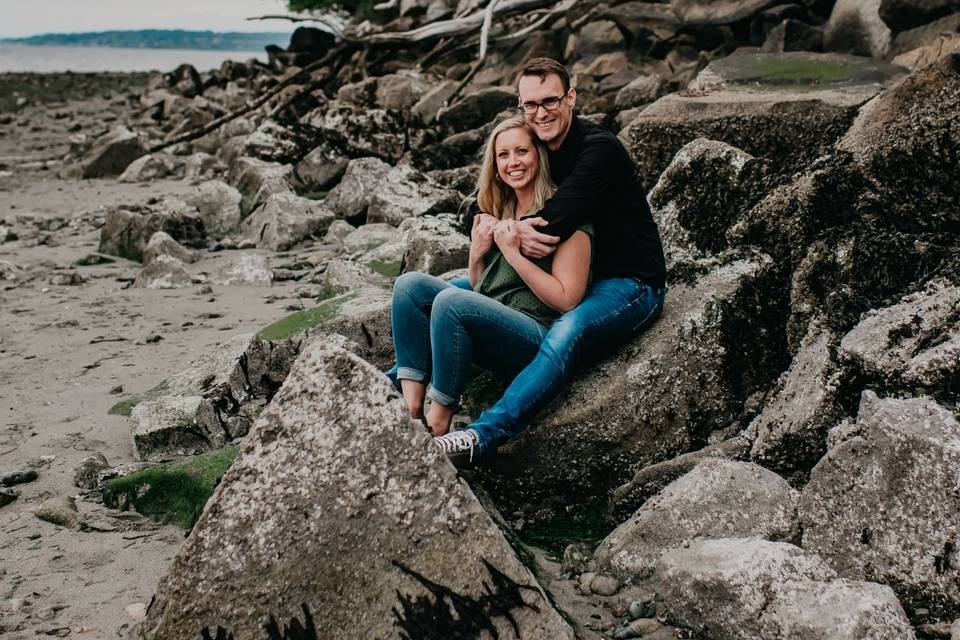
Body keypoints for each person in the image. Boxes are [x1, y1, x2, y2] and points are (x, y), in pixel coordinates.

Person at [433, 57, 667, 466]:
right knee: (442, 293)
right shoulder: (539, 146)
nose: (540, 113)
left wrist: (501, 230)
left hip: (626, 282)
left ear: (571, 98)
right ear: (521, 106)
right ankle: (394, 387)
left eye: (550, 101)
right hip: (563, 273)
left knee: (568, 331)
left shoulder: (599, 150)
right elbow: (512, 188)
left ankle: (480, 436)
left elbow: (550, 225)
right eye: (530, 105)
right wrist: (488, 234)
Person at [389, 114, 593, 461]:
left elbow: (567, 300)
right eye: (504, 155)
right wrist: (477, 253)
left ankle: (438, 423)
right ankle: (411, 410)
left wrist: (513, 253)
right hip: (494, 320)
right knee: (409, 286)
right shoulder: (502, 207)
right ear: (495, 166)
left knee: (451, 302)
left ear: (539, 156)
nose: (513, 162)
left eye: (522, 152)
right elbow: (483, 290)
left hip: (536, 337)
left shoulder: (564, 212)